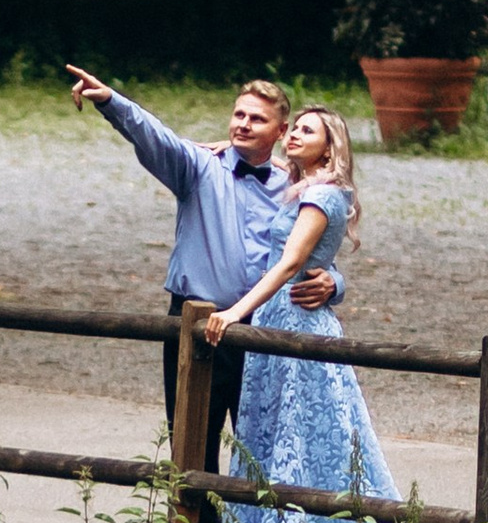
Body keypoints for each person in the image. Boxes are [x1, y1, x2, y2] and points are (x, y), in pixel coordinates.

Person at [200, 104, 441, 523]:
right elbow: (277, 174)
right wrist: (230, 147)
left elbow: (292, 261)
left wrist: (237, 311)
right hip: (274, 323)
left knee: (306, 442)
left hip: (296, 324)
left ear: (330, 149)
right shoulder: (301, 186)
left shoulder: (323, 195)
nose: (294, 135)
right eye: (294, 128)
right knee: (269, 443)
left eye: (307, 131)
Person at [64, 66, 343, 460]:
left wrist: (334, 283)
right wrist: (111, 101)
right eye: (239, 114)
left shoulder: (294, 185)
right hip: (198, 324)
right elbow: (154, 136)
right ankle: (192, 506)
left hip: (262, 331)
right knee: (192, 448)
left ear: (281, 132)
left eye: (257, 119)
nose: (243, 124)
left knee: (262, 452)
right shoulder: (197, 166)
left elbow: (311, 251)